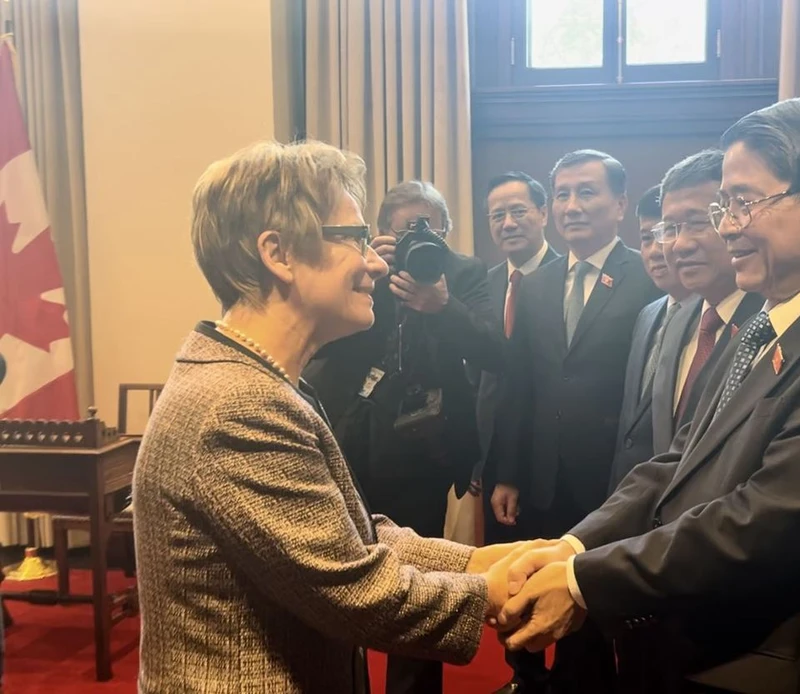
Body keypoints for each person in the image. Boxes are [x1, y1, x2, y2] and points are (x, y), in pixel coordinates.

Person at [497, 98, 800, 694]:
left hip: (784, 670)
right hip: (695, 655)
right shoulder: (765, 323)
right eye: (723, 206)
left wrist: (583, 580)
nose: (726, 225)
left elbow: (765, 522)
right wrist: (574, 542)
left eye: (743, 202)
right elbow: (676, 463)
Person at [131, 140, 536, 694]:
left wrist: (482, 559)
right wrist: (495, 588)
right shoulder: (240, 405)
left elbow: (357, 535)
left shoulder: (265, 380)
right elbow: (355, 591)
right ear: (280, 255)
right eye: (356, 239)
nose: (375, 261)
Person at [304, 179, 504, 694]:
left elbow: (493, 353)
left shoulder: (464, 272)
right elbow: (327, 343)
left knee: (417, 582)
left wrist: (442, 306)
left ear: (446, 229)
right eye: (403, 229)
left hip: (424, 447)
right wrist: (371, 271)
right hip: (353, 437)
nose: (419, 238)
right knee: (339, 570)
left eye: (429, 227)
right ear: (381, 235)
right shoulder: (363, 267)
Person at [493, 149, 662, 692]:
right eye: (562, 194)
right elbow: (519, 387)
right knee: (534, 584)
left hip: (613, 478)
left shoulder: (649, 278)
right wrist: (508, 471)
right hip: (545, 472)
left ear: (619, 203)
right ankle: (534, 679)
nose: (572, 206)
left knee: (593, 598)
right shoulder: (537, 283)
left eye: (586, 192)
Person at [475, 171, 560, 693]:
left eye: (518, 211)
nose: (507, 223)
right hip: (495, 451)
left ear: (543, 213)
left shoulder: (564, 276)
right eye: (497, 215)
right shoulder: (484, 283)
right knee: (511, 571)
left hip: (554, 453)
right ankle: (524, 675)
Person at [647, 150, 763, 467]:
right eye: (669, 228)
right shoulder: (677, 318)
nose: (680, 244)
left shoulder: (769, 323)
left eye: (697, 223)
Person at [607, 185, 692, 493]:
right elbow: (627, 430)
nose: (657, 249)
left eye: (667, 234)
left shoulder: (717, 323)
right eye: (646, 238)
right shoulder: (647, 316)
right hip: (630, 495)